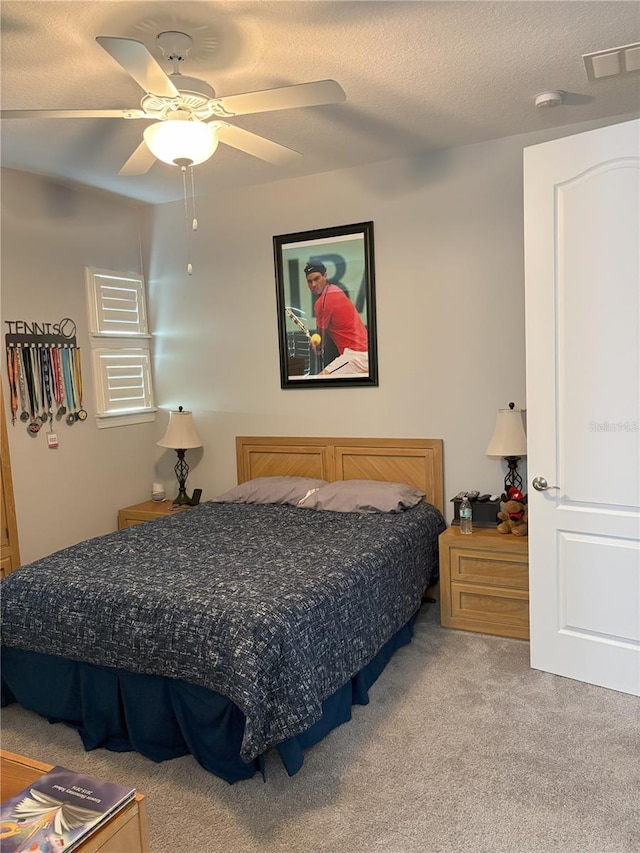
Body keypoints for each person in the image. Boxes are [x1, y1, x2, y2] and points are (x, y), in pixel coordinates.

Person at [304, 261, 369, 376]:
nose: (313, 284)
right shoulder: (334, 289)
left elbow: (321, 340)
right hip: (366, 354)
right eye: (310, 281)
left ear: (325, 276)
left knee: (319, 381)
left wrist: (316, 345)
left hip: (355, 356)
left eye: (317, 279)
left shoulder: (323, 302)